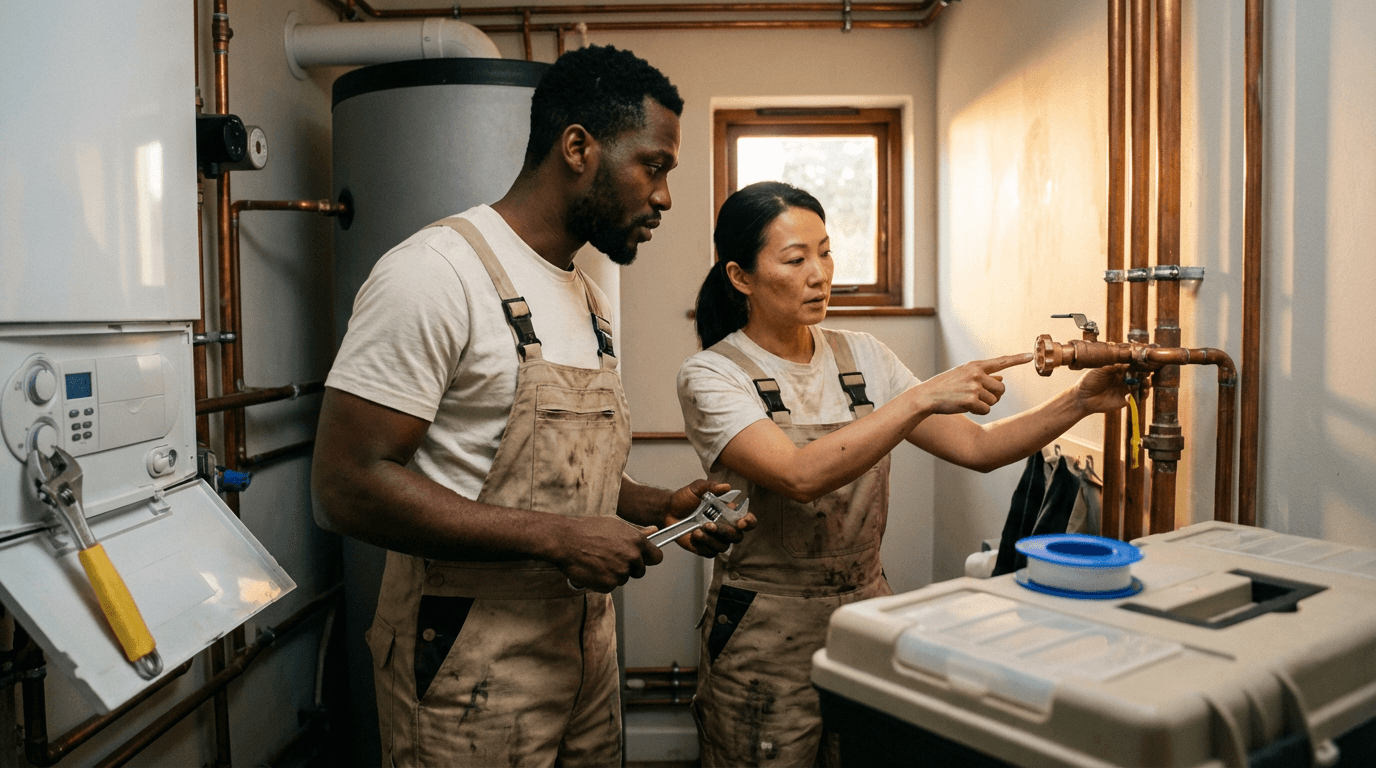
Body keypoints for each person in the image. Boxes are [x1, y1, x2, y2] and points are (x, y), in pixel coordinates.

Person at [311, 46, 754, 768]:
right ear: (577, 146)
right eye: (654, 165)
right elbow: (345, 487)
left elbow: (554, 475)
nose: (666, 197)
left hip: (582, 654)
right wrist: (559, 539)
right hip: (467, 662)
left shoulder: (588, 298)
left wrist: (654, 503)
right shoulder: (435, 274)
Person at [677, 181, 1130, 767]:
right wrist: (921, 399)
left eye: (826, 251)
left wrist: (1079, 401)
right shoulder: (713, 374)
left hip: (867, 613)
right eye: (795, 259)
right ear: (740, 276)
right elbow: (798, 475)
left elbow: (978, 446)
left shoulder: (863, 356)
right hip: (764, 629)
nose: (819, 273)